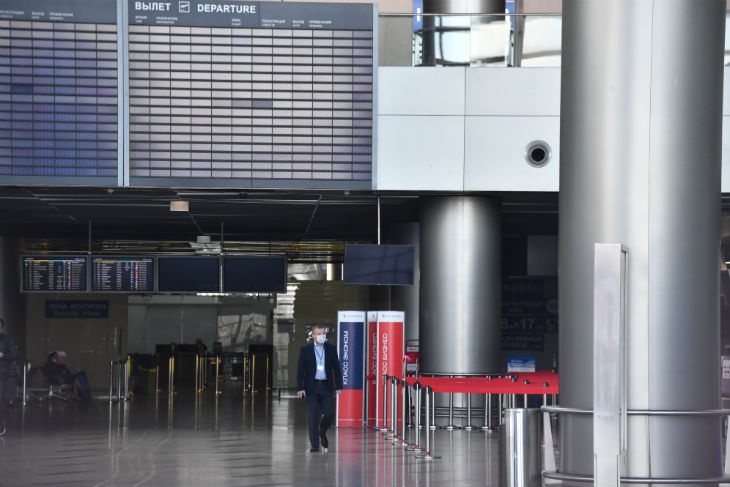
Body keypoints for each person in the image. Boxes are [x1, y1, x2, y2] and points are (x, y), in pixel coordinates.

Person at [296, 325, 342, 453]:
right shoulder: (306, 349)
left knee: (328, 413)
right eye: (319, 333)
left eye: (323, 333)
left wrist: (339, 385)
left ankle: (322, 431)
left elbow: (336, 368)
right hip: (311, 387)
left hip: (326, 386)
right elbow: (301, 370)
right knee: (314, 415)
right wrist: (300, 388)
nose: (322, 336)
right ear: (313, 336)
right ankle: (315, 445)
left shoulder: (331, 348)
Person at [0, 318, 18, 436]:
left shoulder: (7, 340)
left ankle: (0, 425)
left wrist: (3, 355)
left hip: (2, 374)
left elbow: (14, 355)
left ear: (1, 327)